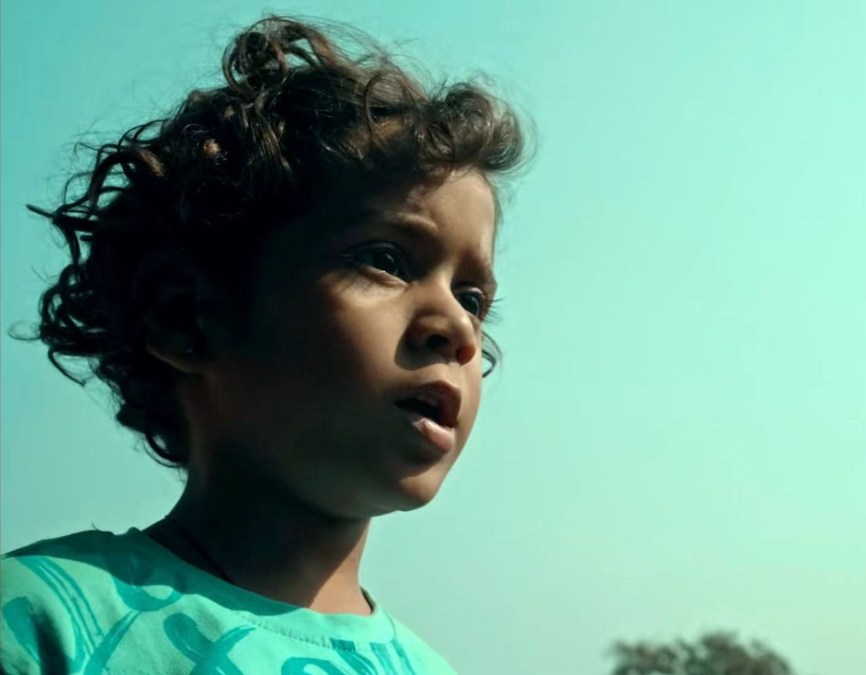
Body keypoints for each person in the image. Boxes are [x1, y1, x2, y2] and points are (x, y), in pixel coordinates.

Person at [1, 15, 525, 674]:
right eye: (387, 259)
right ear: (186, 316)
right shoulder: (41, 621)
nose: (456, 325)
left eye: (473, 299)